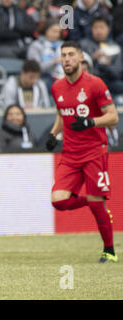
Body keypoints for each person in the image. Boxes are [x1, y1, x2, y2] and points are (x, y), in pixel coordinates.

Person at [45, 40, 119, 263]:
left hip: (94, 151)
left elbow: (113, 117)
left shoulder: (95, 84)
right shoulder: (56, 87)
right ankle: (92, 201)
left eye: (71, 54)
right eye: (64, 55)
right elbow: (62, 114)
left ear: (80, 58)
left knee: (98, 205)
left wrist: (90, 123)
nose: (67, 59)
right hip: (70, 154)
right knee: (58, 200)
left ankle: (109, 251)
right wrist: (53, 134)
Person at [80, 15, 123, 95]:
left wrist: (108, 65)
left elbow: (118, 73)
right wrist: (92, 58)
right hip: (90, 81)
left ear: (108, 29)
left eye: (102, 27)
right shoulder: (83, 45)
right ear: (91, 29)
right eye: (96, 28)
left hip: (109, 81)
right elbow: (79, 69)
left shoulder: (115, 47)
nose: (99, 31)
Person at [27, 19, 64, 91]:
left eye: (59, 32)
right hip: (44, 77)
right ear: (46, 30)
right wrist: (54, 62)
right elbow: (34, 68)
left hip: (64, 76)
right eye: (54, 31)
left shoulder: (64, 45)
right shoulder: (36, 45)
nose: (57, 35)